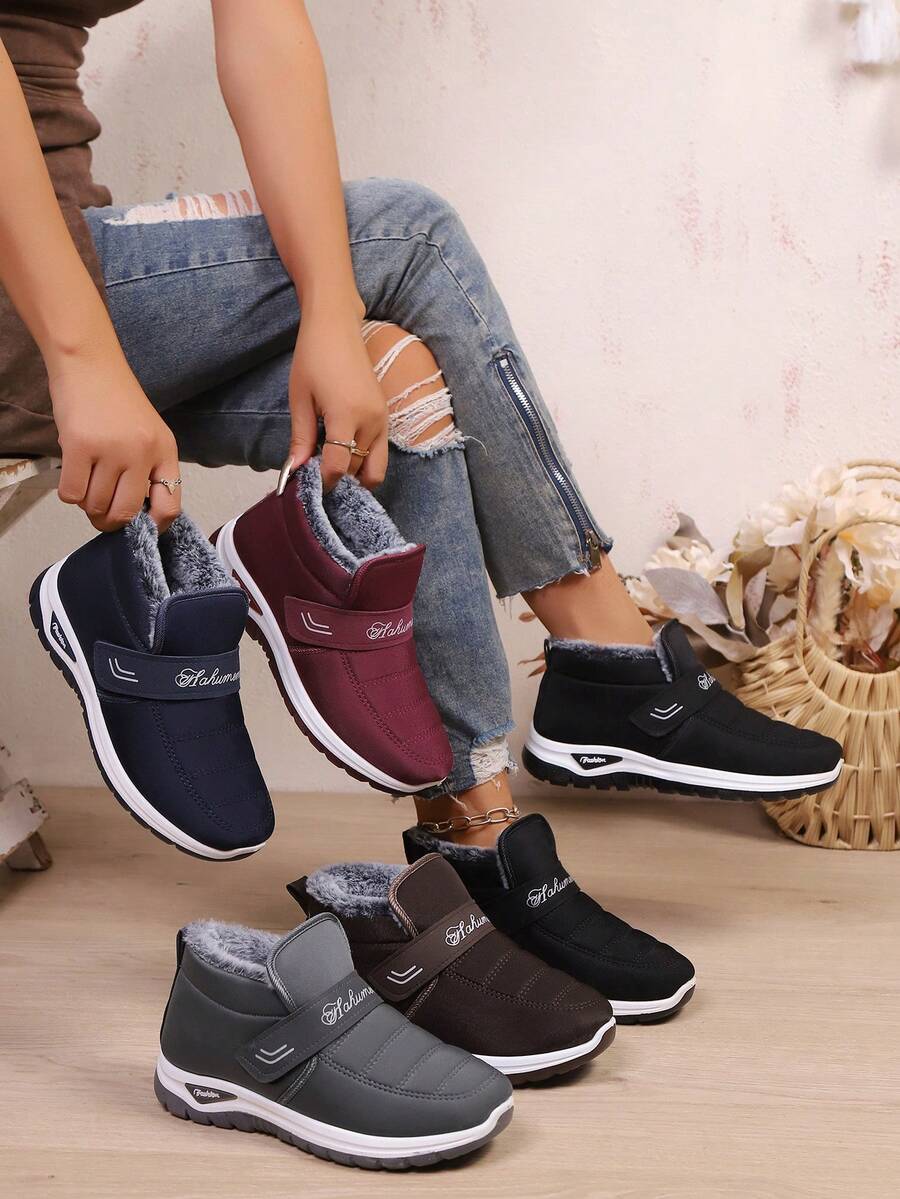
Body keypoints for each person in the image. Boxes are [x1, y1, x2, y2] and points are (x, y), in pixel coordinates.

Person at [0, 2, 841, 848]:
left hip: (58, 266)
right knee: (413, 234)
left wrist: (331, 317)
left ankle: (476, 836)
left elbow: (262, 30)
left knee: (388, 379)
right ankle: (609, 660)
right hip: (33, 305)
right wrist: (80, 360)